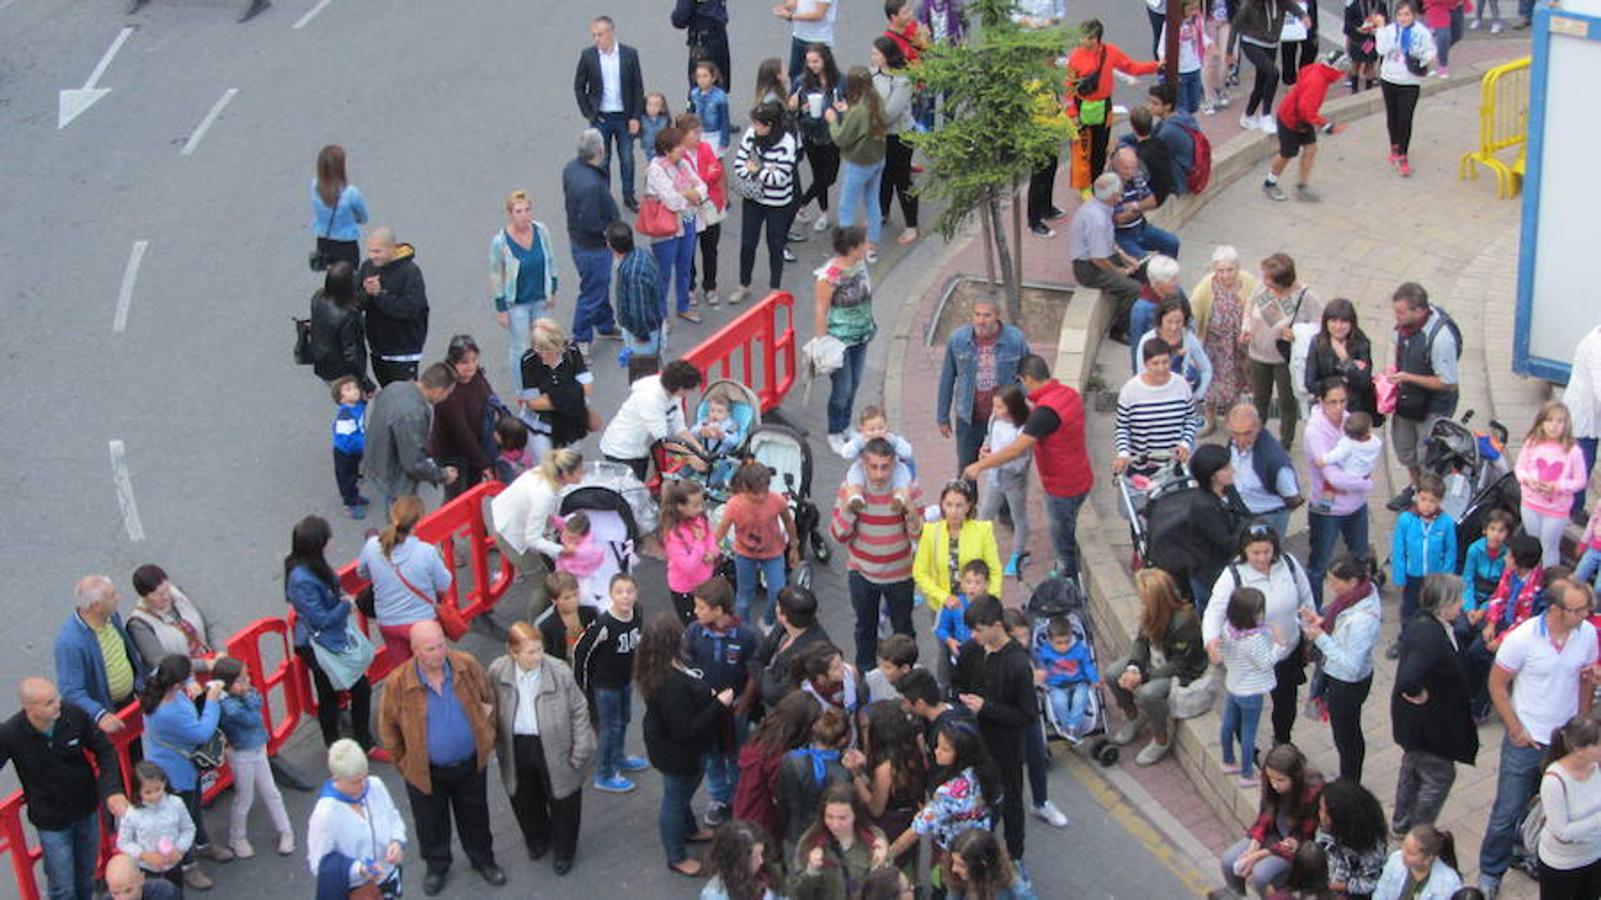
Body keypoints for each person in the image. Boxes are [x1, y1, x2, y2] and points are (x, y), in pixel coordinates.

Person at [1477, 579, 1599, 897]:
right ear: (1556, 610)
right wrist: (1515, 727)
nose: (1586, 615)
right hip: (1528, 739)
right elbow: (1497, 684)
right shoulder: (1523, 639)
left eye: (1588, 608)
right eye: (1579, 610)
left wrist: (1582, 720)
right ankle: (1491, 871)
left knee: (1551, 804)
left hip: (1565, 741)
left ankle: (1531, 851)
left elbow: (1586, 679)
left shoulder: (1586, 634)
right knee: (1507, 809)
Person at [377, 621, 503, 895]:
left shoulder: (466, 665)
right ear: (415, 651)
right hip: (426, 771)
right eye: (431, 648)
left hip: (469, 764)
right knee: (430, 823)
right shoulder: (398, 683)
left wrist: (486, 735)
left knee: (476, 817)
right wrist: (405, 764)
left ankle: (483, 859)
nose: (439, 653)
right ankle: (437, 866)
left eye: (442, 645)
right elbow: (389, 728)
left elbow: (487, 698)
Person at [963, 355, 1095, 582]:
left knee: (1061, 534)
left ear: (1028, 380)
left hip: (1062, 486)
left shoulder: (1044, 412)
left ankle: (1067, 577)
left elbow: (1016, 450)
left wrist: (979, 465)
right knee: (1066, 526)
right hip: (1081, 475)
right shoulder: (1068, 394)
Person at [0, 677, 130, 900]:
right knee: (63, 888)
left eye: (56, 698)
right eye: (49, 703)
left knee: (86, 876)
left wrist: (111, 790)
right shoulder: (11, 733)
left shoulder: (73, 715)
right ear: (30, 709)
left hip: (86, 810)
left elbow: (105, 750)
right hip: (51, 822)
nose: (58, 704)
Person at [487, 621, 593, 876]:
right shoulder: (497, 671)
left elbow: (579, 708)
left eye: (539, 649)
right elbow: (487, 704)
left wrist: (580, 749)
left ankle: (564, 851)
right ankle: (537, 840)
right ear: (513, 652)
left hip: (556, 745)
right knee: (523, 797)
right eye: (530, 652)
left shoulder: (559, 671)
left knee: (564, 800)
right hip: (517, 746)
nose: (538, 656)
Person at [1204, 524, 1317, 746]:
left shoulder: (1289, 564)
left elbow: (1306, 597)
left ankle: (1283, 741)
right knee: (1247, 704)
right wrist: (1211, 642)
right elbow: (1214, 611)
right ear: (1244, 551)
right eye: (1256, 552)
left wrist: (1310, 624)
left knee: (1286, 704)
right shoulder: (1233, 575)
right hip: (1249, 656)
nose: (1262, 558)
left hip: (1286, 651)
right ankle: (1247, 749)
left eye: (1267, 551)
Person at [638, 613, 730, 877]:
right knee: (674, 801)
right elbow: (685, 730)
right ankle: (675, 856)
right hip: (678, 754)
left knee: (681, 794)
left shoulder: (658, 667)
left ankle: (689, 830)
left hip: (672, 747)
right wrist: (718, 704)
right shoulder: (671, 684)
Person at [952, 595, 1037, 863]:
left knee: (1010, 801)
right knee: (973, 799)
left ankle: (1014, 856)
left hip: (1005, 747)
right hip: (972, 741)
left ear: (997, 625)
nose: (973, 635)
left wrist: (985, 708)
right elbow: (957, 686)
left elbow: (1027, 714)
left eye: (978, 630)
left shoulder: (1017, 664)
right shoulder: (970, 652)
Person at [284, 517, 378, 755]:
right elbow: (321, 620)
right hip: (320, 644)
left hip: (324, 641)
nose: (331, 542)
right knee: (350, 691)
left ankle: (336, 741)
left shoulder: (307, 568)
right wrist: (347, 605)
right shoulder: (302, 579)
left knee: (331, 693)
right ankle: (357, 742)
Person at [831, 437, 923, 671]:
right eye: (873, 467)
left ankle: (906, 673)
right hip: (862, 573)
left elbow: (918, 536)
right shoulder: (849, 490)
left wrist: (910, 510)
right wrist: (851, 510)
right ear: (863, 464)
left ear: (894, 465)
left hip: (900, 574)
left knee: (903, 629)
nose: (880, 474)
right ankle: (866, 674)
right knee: (865, 629)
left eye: (885, 467)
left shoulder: (909, 489)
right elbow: (839, 535)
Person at [140, 656, 232, 887]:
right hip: (175, 772)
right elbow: (202, 732)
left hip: (182, 765)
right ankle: (187, 864)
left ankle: (202, 843)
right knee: (183, 818)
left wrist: (190, 679)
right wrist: (212, 701)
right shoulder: (168, 712)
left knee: (194, 809)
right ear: (175, 685)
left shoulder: (159, 680)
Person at [682, 577, 758, 827]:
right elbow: (687, 663)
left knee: (737, 757)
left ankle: (739, 799)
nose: (696, 612)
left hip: (735, 710)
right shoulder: (694, 632)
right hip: (708, 710)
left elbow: (754, 673)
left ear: (718, 610)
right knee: (712, 756)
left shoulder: (746, 636)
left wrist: (744, 704)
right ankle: (718, 798)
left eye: (701, 608)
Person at [1299, 555, 1382, 782]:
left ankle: (1350, 779)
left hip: (1347, 683)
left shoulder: (1363, 620)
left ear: (1353, 582)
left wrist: (1321, 638)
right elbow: (1339, 625)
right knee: (1348, 732)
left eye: (1336, 582)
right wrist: (1320, 621)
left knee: (1347, 735)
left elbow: (1351, 666)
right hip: (1342, 676)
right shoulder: (1356, 596)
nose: (1331, 587)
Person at [883, 719, 999, 878]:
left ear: (961, 754)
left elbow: (918, 829)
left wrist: (889, 854)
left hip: (954, 854)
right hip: (981, 846)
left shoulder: (949, 792)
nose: (937, 751)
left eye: (945, 749)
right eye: (937, 746)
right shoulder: (984, 774)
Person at [935, 299, 1029, 480]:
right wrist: (942, 416)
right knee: (967, 466)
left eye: (987, 315)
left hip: (1003, 418)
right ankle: (967, 506)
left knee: (1004, 467)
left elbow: (1027, 374)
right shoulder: (958, 339)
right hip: (969, 417)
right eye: (977, 314)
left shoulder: (1015, 339)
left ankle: (1004, 509)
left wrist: (1017, 405)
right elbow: (947, 378)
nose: (981, 320)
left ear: (997, 317)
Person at [1148, 444, 1252, 607]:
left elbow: (1245, 514)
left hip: (1228, 568)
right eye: (1226, 468)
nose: (1233, 470)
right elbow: (1226, 544)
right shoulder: (1204, 507)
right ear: (1213, 476)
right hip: (1210, 575)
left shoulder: (1228, 490)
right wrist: (1246, 526)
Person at [211, 658, 294, 860]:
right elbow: (252, 717)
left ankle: (285, 830)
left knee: (271, 792)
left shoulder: (240, 697)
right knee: (244, 798)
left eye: (246, 677)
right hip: (241, 755)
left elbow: (256, 702)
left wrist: (247, 694)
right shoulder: (226, 706)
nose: (246, 683)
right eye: (240, 680)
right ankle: (237, 837)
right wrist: (248, 697)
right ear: (225, 684)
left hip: (257, 749)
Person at [1302, 379, 1376, 606]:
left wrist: (1357, 477)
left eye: (1342, 401)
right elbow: (1332, 476)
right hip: (1326, 507)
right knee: (1319, 565)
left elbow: (1368, 457)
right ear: (1321, 401)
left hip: (1355, 506)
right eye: (1332, 402)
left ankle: (1359, 606)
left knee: (1360, 559)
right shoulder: (1315, 432)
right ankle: (1315, 613)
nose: (1338, 407)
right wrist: (1364, 483)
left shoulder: (1349, 422)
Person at [573, 574, 649, 795]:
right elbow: (581, 652)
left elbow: (637, 639)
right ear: (611, 594)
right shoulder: (604, 625)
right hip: (605, 685)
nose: (625, 597)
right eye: (619, 592)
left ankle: (619, 757)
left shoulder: (638, 613)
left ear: (636, 593)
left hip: (625, 680)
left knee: (624, 720)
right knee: (609, 728)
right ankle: (604, 773)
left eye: (629, 591)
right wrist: (584, 686)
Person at [1386, 282, 1460, 506]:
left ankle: (1428, 500)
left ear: (1418, 311)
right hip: (1409, 400)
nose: (1396, 316)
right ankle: (1416, 488)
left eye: (1400, 312)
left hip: (1433, 406)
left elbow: (1447, 382)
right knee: (1406, 449)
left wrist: (1408, 377)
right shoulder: (1406, 327)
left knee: (1427, 455)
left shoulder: (1440, 338)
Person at [1218, 744, 1325, 897]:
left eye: (1280, 780)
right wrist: (1253, 846)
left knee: (1260, 875)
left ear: (1295, 777)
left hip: (1294, 845)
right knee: (1228, 862)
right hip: (1271, 833)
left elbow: (1299, 839)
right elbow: (1265, 814)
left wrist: (1257, 855)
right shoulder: (1270, 781)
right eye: (1270, 778)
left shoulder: (1311, 794)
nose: (1274, 785)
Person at [305, 739, 407, 900]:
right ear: (337, 778)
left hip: (389, 876)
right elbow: (318, 864)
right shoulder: (325, 814)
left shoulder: (375, 785)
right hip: (359, 889)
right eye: (355, 782)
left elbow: (393, 817)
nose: (363, 785)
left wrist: (397, 842)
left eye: (364, 777)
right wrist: (358, 869)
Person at [487, 448, 583, 618]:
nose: (583, 473)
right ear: (566, 474)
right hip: (511, 534)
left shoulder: (544, 473)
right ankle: (534, 629)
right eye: (579, 470)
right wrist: (561, 550)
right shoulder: (544, 494)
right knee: (544, 587)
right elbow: (532, 539)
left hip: (507, 519)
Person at [1212, 586, 1291, 786]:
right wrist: (1280, 645)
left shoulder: (1227, 629)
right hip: (1251, 692)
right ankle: (1247, 773)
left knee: (1228, 724)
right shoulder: (1253, 640)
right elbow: (1265, 662)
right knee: (1248, 732)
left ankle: (1228, 760)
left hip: (1234, 685)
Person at [1243, 253, 1323, 449]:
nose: (1264, 281)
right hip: (1257, 354)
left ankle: (1285, 441)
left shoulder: (1305, 297)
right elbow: (1249, 305)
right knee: (1259, 398)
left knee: (1287, 400)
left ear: (1283, 281)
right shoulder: (1262, 287)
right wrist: (1246, 327)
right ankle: (1257, 437)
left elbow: (1320, 328)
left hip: (1284, 359)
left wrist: (1298, 334)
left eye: (1269, 279)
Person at [1067, 20, 1160, 187]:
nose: (1080, 40)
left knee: (1101, 145)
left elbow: (1131, 67)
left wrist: (1155, 66)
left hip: (1104, 106)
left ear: (1094, 38)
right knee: (1083, 148)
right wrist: (1072, 113)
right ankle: (1084, 185)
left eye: (1084, 37)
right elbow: (1069, 86)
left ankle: (1096, 180)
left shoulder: (1110, 52)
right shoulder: (1076, 56)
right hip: (1082, 106)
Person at [356, 496, 447, 664]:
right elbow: (444, 583)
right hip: (423, 622)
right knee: (431, 667)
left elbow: (362, 572)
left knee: (403, 672)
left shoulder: (372, 546)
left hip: (389, 621)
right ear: (416, 523)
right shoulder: (427, 552)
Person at [55, 575, 146, 743]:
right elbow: (71, 691)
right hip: (105, 716)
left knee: (135, 754)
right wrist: (99, 714)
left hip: (127, 703)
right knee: (117, 763)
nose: (118, 598)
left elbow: (127, 651)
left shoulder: (111, 616)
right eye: (112, 596)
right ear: (96, 606)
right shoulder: (70, 642)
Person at [731, 102, 801, 306]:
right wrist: (764, 171)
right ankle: (744, 284)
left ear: (770, 125)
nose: (754, 128)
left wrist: (755, 171)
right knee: (747, 243)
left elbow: (780, 177)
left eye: (759, 124)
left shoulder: (787, 142)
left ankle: (774, 288)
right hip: (754, 199)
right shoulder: (751, 135)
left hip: (779, 203)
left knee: (775, 244)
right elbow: (738, 165)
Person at [815, 226, 878, 450]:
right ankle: (835, 429)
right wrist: (822, 344)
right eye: (864, 243)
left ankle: (846, 425)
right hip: (839, 341)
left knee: (855, 383)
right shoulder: (829, 276)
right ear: (853, 249)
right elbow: (821, 310)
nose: (868, 246)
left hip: (861, 335)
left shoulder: (859, 265)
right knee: (842, 389)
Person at [489, 190, 559, 392]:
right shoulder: (500, 241)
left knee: (545, 343)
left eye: (527, 210)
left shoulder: (541, 230)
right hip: (517, 303)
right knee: (521, 348)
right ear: (510, 213)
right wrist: (501, 308)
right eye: (519, 211)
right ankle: (524, 392)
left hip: (540, 299)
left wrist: (552, 288)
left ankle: (546, 384)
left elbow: (551, 259)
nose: (524, 215)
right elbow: (495, 274)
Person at [573, 16, 645, 211]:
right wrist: (588, 112)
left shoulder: (629, 55)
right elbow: (579, 86)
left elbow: (638, 88)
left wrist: (635, 117)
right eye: (594, 35)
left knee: (627, 158)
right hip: (601, 117)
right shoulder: (588, 56)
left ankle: (628, 196)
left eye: (600, 34)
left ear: (611, 33)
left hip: (624, 117)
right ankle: (603, 197)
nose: (597, 39)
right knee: (602, 160)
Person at [715, 462, 800, 626]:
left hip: (773, 553)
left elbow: (789, 522)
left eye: (765, 491)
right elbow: (722, 529)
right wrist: (712, 547)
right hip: (745, 555)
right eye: (755, 493)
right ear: (744, 488)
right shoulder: (734, 505)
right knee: (744, 597)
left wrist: (794, 547)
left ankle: (768, 622)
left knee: (777, 593)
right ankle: (742, 628)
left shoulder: (777, 500)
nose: (761, 496)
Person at [562, 129, 624, 351]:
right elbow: (591, 221)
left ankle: (605, 325)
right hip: (593, 247)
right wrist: (609, 232)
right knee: (593, 290)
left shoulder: (572, 169)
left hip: (578, 240)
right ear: (600, 150)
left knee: (599, 285)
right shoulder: (592, 184)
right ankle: (580, 338)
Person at [914, 480, 1003, 629]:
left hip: (975, 607)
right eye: (949, 505)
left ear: (968, 507)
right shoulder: (930, 531)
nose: (953, 511)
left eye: (959, 505)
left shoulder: (983, 530)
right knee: (944, 649)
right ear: (942, 505)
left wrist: (990, 602)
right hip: (942, 607)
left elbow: (995, 570)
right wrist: (944, 597)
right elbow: (919, 572)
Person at [1262, 50, 1348, 201]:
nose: (1343, 74)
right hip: (1291, 119)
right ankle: (1269, 183)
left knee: (1310, 148)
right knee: (1287, 153)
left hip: (1298, 118)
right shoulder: (1319, 82)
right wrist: (1326, 125)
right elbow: (1306, 109)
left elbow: (1302, 72)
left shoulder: (1318, 69)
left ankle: (1302, 186)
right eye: (1342, 70)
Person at [1068, 174, 1144, 343]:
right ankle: (1119, 330)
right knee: (1134, 289)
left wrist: (1125, 257)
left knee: (1142, 267)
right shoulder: (1097, 219)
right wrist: (1120, 272)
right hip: (1089, 269)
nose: (1122, 194)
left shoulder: (1100, 208)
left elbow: (1108, 241)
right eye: (1120, 191)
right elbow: (1098, 259)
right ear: (1113, 195)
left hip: (1100, 257)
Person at [733, 692, 822, 838]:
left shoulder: (764, 738)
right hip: (763, 825)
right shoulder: (779, 758)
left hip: (746, 813)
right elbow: (784, 799)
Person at [644, 127, 708, 326]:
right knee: (663, 274)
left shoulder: (682, 164)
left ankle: (683, 306)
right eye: (679, 146)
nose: (683, 149)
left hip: (687, 222)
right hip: (666, 229)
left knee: (684, 268)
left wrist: (690, 194)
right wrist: (690, 195)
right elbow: (672, 201)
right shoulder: (656, 169)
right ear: (666, 150)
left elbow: (702, 187)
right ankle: (660, 314)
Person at [1192, 245, 1258, 431]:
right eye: (1220, 270)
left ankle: (1232, 419)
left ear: (1238, 268)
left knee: (1236, 384)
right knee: (1211, 385)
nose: (1225, 275)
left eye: (1230, 270)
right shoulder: (1207, 284)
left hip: (1239, 347)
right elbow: (1194, 309)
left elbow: (1258, 307)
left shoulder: (1249, 281)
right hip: (1215, 345)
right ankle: (1210, 420)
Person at [1516, 402, 1589, 568]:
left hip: (1556, 509)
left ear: (1566, 424)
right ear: (1541, 422)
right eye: (1549, 420)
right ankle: (1531, 578)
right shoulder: (1532, 443)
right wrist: (1528, 480)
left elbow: (1580, 481)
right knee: (1533, 544)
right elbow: (1520, 468)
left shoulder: (1573, 451)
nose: (1554, 426)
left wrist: (1558, 486)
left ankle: (1548, 578)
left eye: (1559, 421)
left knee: (1549, 547)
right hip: (1530, 503)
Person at [1536, 714, 1601, 899]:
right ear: (1580, 749)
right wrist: (1598, 820)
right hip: (1563, 863)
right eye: (1598, 744)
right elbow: (1562, 831)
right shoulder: (1554, 780)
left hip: (1595, 855)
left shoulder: (1597, 766)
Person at [1391, 474, 1457, 654]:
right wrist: (1400, 577)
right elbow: (1398, 550)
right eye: (1423, 499)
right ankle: (1404, 642)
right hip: (1413, 575)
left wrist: (1445, 577)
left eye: (1432, 501)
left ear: (1440, 501)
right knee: (1409, 610)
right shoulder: (1406, 520)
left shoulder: (1446, 522)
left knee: (1433, 611)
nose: (1427, 504)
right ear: (1416, 497)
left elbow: (1450, 552)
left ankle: (1432, 643)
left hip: (1434, 577)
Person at [1113, 337, 1199, 475]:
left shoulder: (1182, 385)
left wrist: (1185, 444)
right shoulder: (1130, 390)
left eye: (1165, 362)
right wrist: (1123, 453)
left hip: (1174, 466)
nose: (1161, 368)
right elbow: (1122, 427)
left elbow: (1190, 419)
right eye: (1155, 363)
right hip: (1140, 467)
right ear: (1146, 363)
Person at [788, 783, 890, 898]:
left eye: (842, 818)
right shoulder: (810, 841)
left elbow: (888, 889)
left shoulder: (874, 840)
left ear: (856, 814)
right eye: (829, 817)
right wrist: (811, 871)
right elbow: (798, 894)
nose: (835, 825)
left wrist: (882, 865)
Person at [827, 68, 889, 256]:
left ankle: (847, 248)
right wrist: (848, 112)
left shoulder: (857, 112)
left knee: (846, 206)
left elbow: (841, 137)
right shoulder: (876, 101)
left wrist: (832, 121)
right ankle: (873, 246)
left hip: (859, 163)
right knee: (872, 201)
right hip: (878, 159)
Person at [356, 228, 428, 387]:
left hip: (404, 352)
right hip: (378, 351)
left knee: (405, 399)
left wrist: (379, 295)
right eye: (370, 251)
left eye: (377, 251)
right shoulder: (367, 267)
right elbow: (357, 303)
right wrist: (367, 293)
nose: (372, 255)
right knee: (388, 396)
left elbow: (410, 309)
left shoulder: (410, 272)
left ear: (392, 249)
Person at [428, 335, 495, 500]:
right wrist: (484, 463)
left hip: (475, 449)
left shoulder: (478, 377)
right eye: (464, 362)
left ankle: (476, 526)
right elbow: (461, 432)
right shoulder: (448, 390)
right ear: (453, 362)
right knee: (456, 501)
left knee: (473, 496)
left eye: (474, 360)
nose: (471, 366)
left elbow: (492, 403)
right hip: (452, 454)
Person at [1374, 1, 1436, 177]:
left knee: (1405, 119)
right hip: (1389, 79)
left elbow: (1430, 52)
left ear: (1414, 15)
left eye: (1407, 14)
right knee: (1392, 117)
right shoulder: (1390, 30)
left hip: (1410, 82)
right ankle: (1394, 146)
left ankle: (1403, 154)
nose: (1403, 18)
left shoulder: (1421, 32)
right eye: (1400, 14)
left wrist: (1424, 62)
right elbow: (1381, 49)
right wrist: (1380, 29)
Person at [1230, 0, 1311, 133]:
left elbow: (1292, 6)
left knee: (1261, 83)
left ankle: (1247, 116)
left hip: (1270, 45)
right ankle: (1265, 116)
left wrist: (1302, 16)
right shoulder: (1250, 4)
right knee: (1273, 73)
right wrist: (1229, 51)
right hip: (1252, 43)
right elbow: (1235, 25)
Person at [116, 762, 197, 892]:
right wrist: (144, 855)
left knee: (175, 893)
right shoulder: (131, 813)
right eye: (147, 792)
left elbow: (188, 829)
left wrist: (180, 849)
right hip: (146, 869)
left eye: (158, 789)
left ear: (164, 783)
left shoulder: (176, 803)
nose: (154, 796)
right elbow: (123, 842)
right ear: (138, 791)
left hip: (173, 864)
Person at [1225, 403, 1303, 538]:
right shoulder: (1232, 444)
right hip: (1241, 514)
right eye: (1236, 433)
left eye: (1247, 433)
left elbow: (1293, 499)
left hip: (1269, 519)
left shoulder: (1274, 460)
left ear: (1258, 426)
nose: (1241, 440)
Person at [980, 386, 1035, 575]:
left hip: (1014, 480)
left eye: (999, 407)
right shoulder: (995, 419)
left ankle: (1018, 554)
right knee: (985, 514)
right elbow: (989, 436)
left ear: (1013, 408)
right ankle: (979, 551)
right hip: (995, 475)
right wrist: (985, 449)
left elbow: (1021, 459)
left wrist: (994, 460)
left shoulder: (1022, 429)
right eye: (994, 406)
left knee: (1018, 516)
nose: (995, 411)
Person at [125, 564, 217, 677]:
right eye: (157, 595)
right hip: (181, 678)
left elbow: (209, 622)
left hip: (210, 659)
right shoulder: (138, 624)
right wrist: (204, 665)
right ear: (144, 596)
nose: (165, 597)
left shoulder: (179, 595)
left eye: (166, 590)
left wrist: (221, 652)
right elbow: (161, 663)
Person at [520, 318, 595, 455]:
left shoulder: (572, 351)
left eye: (548, 350)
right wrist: (571, 397)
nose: (543, 356)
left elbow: (587, 388)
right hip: (542, 423)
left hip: (570, 420)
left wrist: (551, 398)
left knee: (571, 464)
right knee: (545, 466)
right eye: (539, 350)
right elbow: (534, 403)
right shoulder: (528, 360)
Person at [791, 44, 845, 234]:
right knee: (819, 176)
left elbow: (850, 103)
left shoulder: (840, 81)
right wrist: (798, 108)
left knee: (829, 177)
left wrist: (842, 109)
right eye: (809, 62)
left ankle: (801, 203)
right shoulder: (801, 82)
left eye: (816, 61)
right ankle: (823, 214)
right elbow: (792, 110)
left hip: (832, 135)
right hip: (810, 134)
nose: (812, 65)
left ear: (826, 60)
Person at [870, 37, 919, 246]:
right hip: (880, 135)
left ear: (887, 56)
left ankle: (911, 225)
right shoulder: (873, 74)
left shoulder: (902, 80)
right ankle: (882, 212)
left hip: (899, 135)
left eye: (875, 54)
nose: (872, 57)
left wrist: (866, 115)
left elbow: (890, 113)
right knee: (883, 176)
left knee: (902, 179)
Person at [754, 586, 834, 710]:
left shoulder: (813, 651)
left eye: (778, 605)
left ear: (783, 616)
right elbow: (759, 656)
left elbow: (774, 693)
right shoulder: (784, 626)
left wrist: (765, 673)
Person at [679, 113, 728, 312]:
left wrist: (699, 180)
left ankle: (710, 286)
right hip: (690, 210)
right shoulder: (679, 155)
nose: (699, 137)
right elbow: (682, 182)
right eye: (695, 133)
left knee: (710, 250)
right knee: (688, 251)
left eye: (699, 132)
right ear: (682, 135)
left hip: (708, 207)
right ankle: (689, 287)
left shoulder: (705, 148)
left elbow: (716, 170)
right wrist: (703, 177)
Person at [1315, 779, 1389, 900]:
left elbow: (1370, 883)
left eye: (1326, 812)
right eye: (1320, 809)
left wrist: (1336, 886)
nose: (1321, 816)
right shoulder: (1327, 828)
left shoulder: (1370, 848)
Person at [1305, 297, 1378, 419]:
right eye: (1333, 321)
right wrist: (1342, 381)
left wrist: (1345, 359)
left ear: (1351, 323)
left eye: (1343, 322)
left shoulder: (1361, 344)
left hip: (1354, 409)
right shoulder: (1317, 342)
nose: (1338, 326)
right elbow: (1310, 382)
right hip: (1325, 406)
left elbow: (1363, 382)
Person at [609, 221, 666, 374]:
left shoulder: (633, 273)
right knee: (651, 369)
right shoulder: (641, 254)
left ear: (612, 246)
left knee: (643, 377)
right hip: (652, 326)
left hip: (643, 335)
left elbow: (638, 309)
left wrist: (640, 335)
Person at [1136, 295, 1214, 404]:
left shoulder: (1189, 338)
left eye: (1179, 322)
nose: (1174, 327)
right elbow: (1141, 373)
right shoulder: (1147, 340)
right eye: (1169, 321)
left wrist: (1197, 396)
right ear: (1160, 319)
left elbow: (1206, 369)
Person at [309, 262, 372, 393]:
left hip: (324, 365)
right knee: (353, 405)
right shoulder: (348, 315)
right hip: (344, 373)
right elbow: (351, 354)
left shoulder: (318, 297)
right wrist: (365, 383)